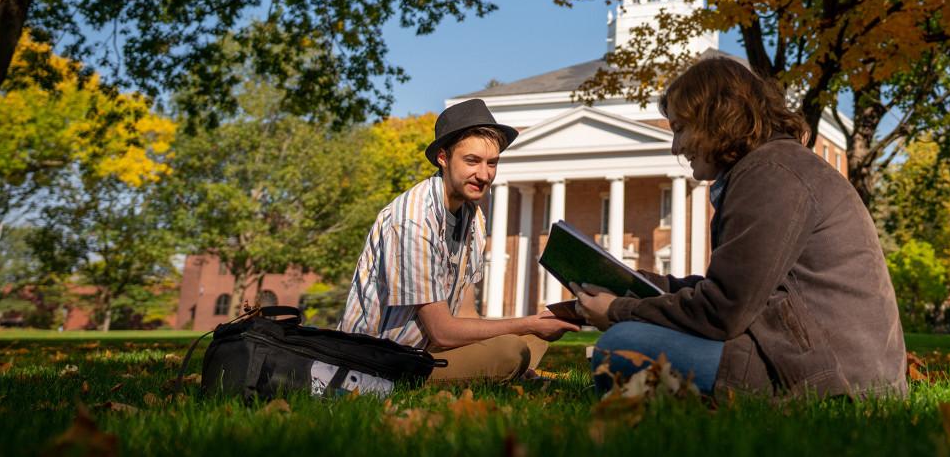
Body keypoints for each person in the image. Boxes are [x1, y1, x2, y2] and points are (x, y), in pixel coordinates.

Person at [571, 57, 908, 398]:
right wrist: (630, 285)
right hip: (807, 354)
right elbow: (733, 290)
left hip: (835, 376)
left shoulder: (773, 176)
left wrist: (617, 311)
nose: (676, 147)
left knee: (620, 346)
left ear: (716, 118)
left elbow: (724, 311)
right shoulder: (771, 169)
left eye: (679, 128)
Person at [339, 98, 579, 383]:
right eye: (472, 161)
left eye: (492, 163)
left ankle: (514, 372)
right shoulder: (413, 219)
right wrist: (527, 323)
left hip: (430, 351)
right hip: (385, 362)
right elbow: (442, 331)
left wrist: (534, 326)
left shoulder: (472, 217)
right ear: (443, 157)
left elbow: (466, 313)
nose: (484, 174)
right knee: (512, 349)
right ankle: (509, 370)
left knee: (531, 339)